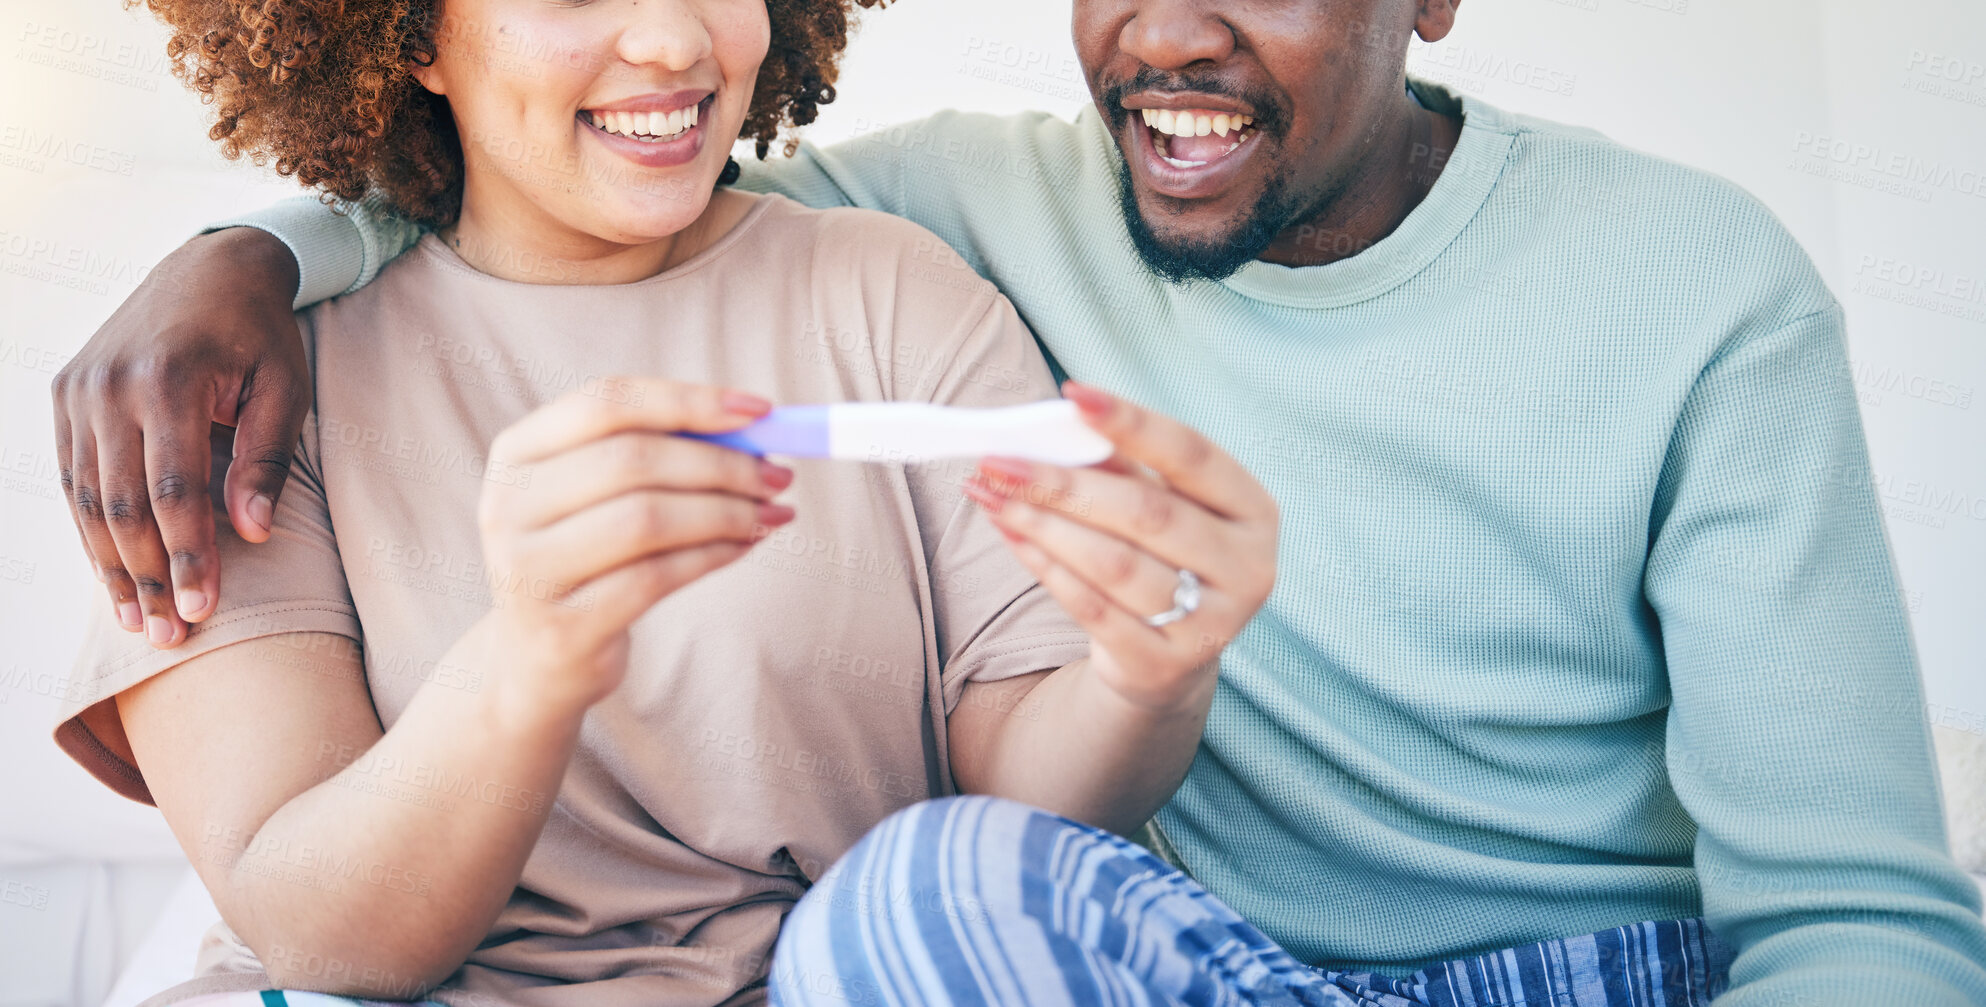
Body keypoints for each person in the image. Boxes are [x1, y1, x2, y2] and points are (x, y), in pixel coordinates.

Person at [52, 0, 1986, 1004]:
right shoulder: (236, 396)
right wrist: (247, 254)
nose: (1169, 31)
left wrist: (1155, 659)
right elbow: (539, 204)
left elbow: (1859, 916)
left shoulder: (900, 262)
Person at [42, 0, 1279, 1004]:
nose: (676, 40)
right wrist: (530, 658)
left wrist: (1149, 670)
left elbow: (1018, 813)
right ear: (411, 32)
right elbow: (326, 940)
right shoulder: (248, 390)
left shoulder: (890, 291)